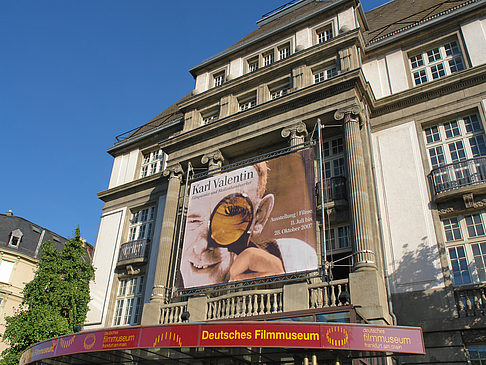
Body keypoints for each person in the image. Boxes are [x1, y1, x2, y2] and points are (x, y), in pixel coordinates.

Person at [179, 161, 318, 289]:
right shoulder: (173, 282)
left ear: (258, 217)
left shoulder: (295, 256)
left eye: (230, 215)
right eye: (194, 220)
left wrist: (283, 280)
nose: (202, 245)